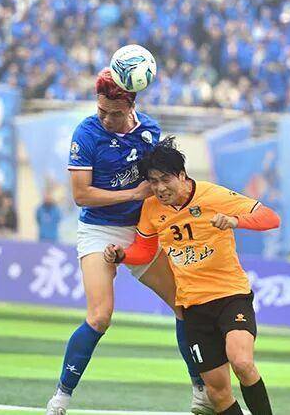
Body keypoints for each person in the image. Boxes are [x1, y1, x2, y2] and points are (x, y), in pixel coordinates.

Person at [46, 69, 213, 415]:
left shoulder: (150, 131)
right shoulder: (86, 134)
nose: (107, 119)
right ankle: (61, 397)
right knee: (100, 317)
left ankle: (201, 391)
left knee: (185, 305)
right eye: (101, 110)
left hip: (142, 231)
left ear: (131, 105)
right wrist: (132, 194)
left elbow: (163, 183)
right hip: (99, 231)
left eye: (116, 113)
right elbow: (81, 195)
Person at [104, 137, 281, 415]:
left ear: (182, 175)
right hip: (193, 307)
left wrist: (235, 221)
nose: (160, 188)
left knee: (242, 362)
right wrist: (121, 255)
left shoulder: (213, 195)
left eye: (165, 180)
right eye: (153, 182)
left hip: (231, 296)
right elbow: (144, 250)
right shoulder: (151, 208)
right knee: (217, 393)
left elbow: (271, 218)